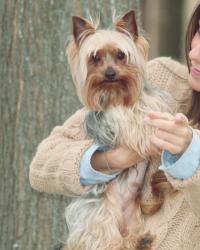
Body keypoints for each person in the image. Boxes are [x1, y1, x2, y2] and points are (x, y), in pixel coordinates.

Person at [29, 3, 200, 250]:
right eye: (199, 31)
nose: (194, 53)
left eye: (120, 57)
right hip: (102, 230)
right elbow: (41, 165)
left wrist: (190, 154)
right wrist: (110, 160)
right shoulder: (156, 77)